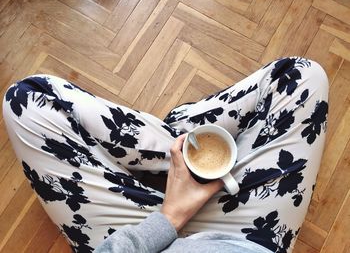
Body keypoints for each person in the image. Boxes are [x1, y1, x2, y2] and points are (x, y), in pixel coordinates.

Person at [2, 57, 329, 253]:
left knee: (28, 99)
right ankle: (180, 141)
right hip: (252, 237)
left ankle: (177, 141)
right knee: (301, 76)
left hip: (131, 237)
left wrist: (169, 218)